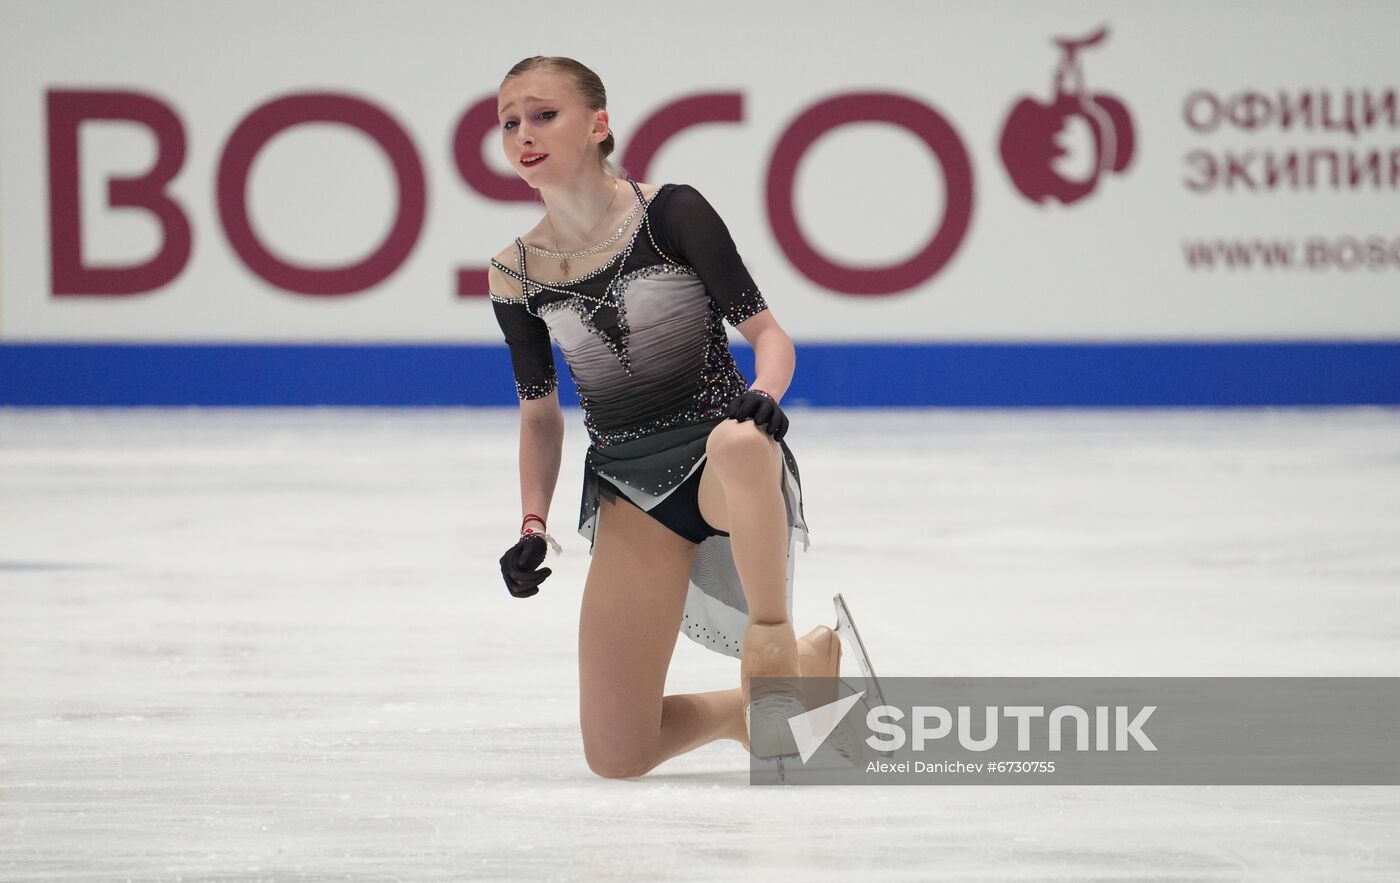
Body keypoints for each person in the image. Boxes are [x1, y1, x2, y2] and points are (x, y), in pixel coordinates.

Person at [488, 56, 860, 779]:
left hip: (727, 461)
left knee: (738, 441)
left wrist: (766, 396)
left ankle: (775, 644)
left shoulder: (671, 214)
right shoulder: (515, 274)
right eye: (508, 123)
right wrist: (534, 523)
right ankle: (771, 696)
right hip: (633, 491)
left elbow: (770, 337)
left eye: (542, 114)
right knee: (618, 754)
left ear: (599, 125)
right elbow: (540, 417)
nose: (522, 134)